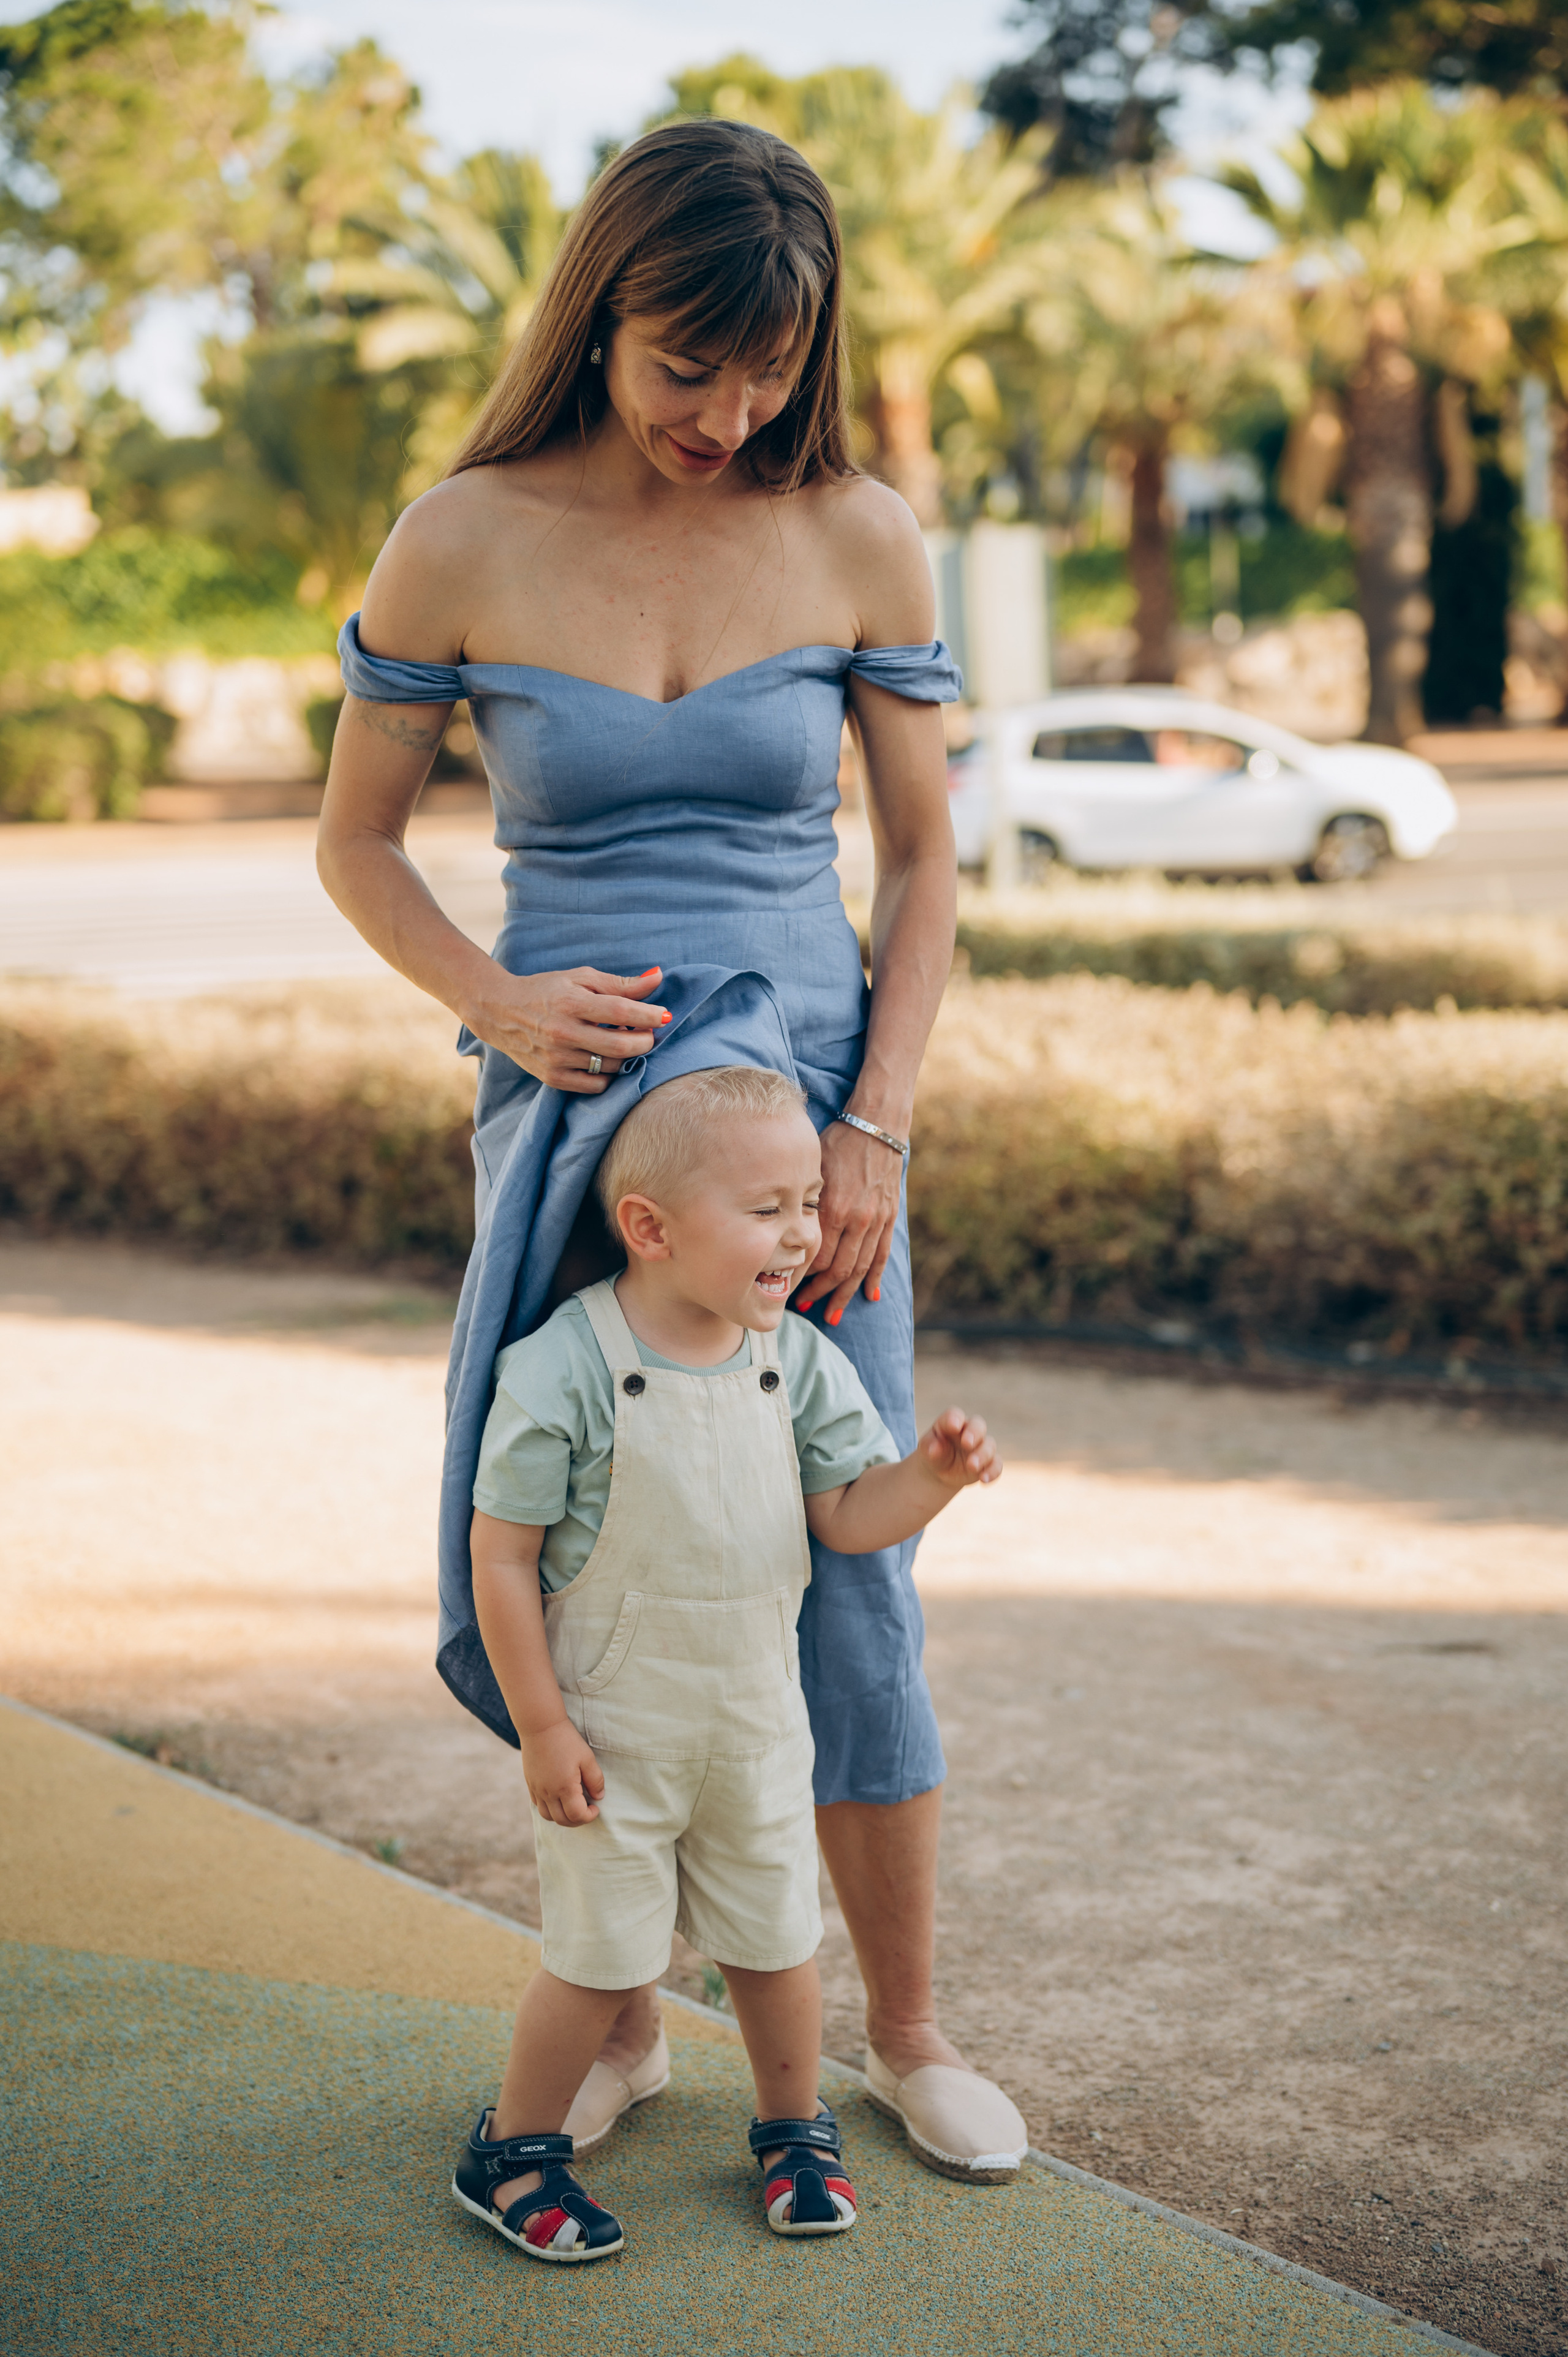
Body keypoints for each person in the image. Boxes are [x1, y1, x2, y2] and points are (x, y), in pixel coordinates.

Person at [317, 115, 1030, 2182]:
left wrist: (876, 1120)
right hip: (568, 1120)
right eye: (684, 363)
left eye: (769, 369)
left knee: (845, 1551)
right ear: (600, 317)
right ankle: (621, 2021)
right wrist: (503, 1004)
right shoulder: (459, 533)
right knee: (588, 1546)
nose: (730, 411)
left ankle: (901, 2030)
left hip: (808, 1125)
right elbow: (357, 843)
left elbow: (917, 863)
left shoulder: (860, 533)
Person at [453, 1065, 1001, 2258]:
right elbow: (501, 1561)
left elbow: (850, 1515)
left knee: (775, 1941)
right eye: (769, 1207)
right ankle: (513, 2148)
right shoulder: (565, 1366)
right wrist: (542, 1727)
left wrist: (932, 1480)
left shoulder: (791, 1359)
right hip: (614, 1736)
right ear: (648, 1227)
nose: (804, 1231)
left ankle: (792, 2126)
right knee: (600, 1959)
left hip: (755, 1729)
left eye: (807, 1200)